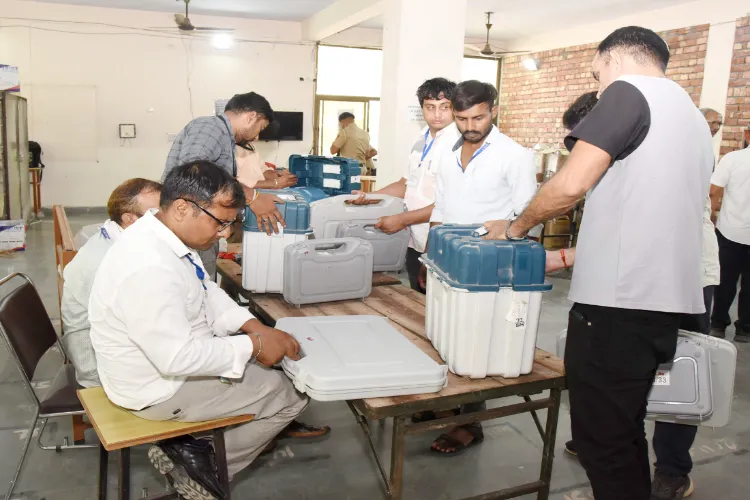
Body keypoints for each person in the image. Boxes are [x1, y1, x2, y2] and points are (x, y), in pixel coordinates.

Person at [482, 26, 713, 500]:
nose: (599, 86)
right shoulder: (689, 113)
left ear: (615, 60)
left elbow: (570, 185)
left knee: (601, 440)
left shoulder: (629, 90)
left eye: (596, 73)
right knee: (624, 429)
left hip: (617, 303)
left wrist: (516, 226)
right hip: (666, 301)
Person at [88, 162, 309, 500]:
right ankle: (203, 465)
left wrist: (252, 325)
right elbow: (176, 358)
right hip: (158, 388)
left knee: (267, 368)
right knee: (291, 394)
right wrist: (253, 345)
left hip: (158, 368)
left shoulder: (161, 234)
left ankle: (192, 448)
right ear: (181, 207)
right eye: (220, 222)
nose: (223, 233)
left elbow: (205, 290)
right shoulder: (148, 265)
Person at [552, 99, 722, 500]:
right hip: (632, 283)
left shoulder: (656, 159)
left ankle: (672, 468)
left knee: (679, 374)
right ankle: (613, 437)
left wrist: (562, 255)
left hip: (684, 282)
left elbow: (644, 234)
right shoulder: (616, 160)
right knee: (626, 370)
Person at [424, 80, 537, 455]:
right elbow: (440, 207)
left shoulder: (514, 155)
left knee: (477, 341)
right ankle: (442, 404)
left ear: (495, 110)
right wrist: (432, 252)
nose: (471, 125)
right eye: (462, 118)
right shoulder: (446, 151)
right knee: (443, 333)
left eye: (479, 116)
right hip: (448, 258)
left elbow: (528, 215)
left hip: (492, 265)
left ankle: (469, 422)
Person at [349, 77, 460, 292]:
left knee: (439, 308)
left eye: (444, 107)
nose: (437, 114)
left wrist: (401, 219)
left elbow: (448, 204)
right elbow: (406, 184)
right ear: (422, 109)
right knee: (418, 299)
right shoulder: (422, 138)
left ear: (454, 108)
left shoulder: (457, 144)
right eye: (430, 107)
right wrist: (370, 197)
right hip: (414, 238)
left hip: (441, 241)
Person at [164, 92, 287, 279]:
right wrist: (252, 197)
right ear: (251, 117)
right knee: (195, 284)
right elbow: (195, 173)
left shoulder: (225, 137)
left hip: (202, 222)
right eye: (259, 129)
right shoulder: (210, 127)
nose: (256, 137)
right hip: (191, 223)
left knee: (201, 284)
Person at [61, 178, 162, 388]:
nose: (166, 219)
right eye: (157, 214)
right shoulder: (103, 261)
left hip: (116, 349)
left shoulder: (121, 240)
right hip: (99, 371)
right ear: (129, 219)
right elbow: (142, 324)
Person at [709, 125, 750, 342]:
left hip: (730, 232)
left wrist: (710, 218)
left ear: (746, 134)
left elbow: (714, 191)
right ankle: (745, 328)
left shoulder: (733, 159)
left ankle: (718, 324)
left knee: (725, 281)